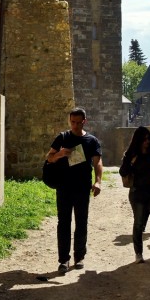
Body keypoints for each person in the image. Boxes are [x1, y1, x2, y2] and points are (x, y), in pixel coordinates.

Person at [45, 107, 102, 273]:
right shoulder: (62, 137)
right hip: (63, 187)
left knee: (81, 222)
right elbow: (49, 157)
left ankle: (79, 257)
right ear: (70, 121)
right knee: (63, 223)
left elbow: (98, 162)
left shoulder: (92, 141)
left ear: (85, 121)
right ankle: (63, 260)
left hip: (82, 188)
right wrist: (60, 154)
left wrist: (98, 182)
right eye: (73, 122)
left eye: (78, 122)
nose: (75, 125)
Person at [120, 126, 150, 263]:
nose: (147, 141)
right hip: (137, 192)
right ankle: (139, 254)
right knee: (138, 223)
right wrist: (132, 162)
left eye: (148, 138)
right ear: (138, 140)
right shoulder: (131, 154)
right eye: (144, 139)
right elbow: (123, 172)